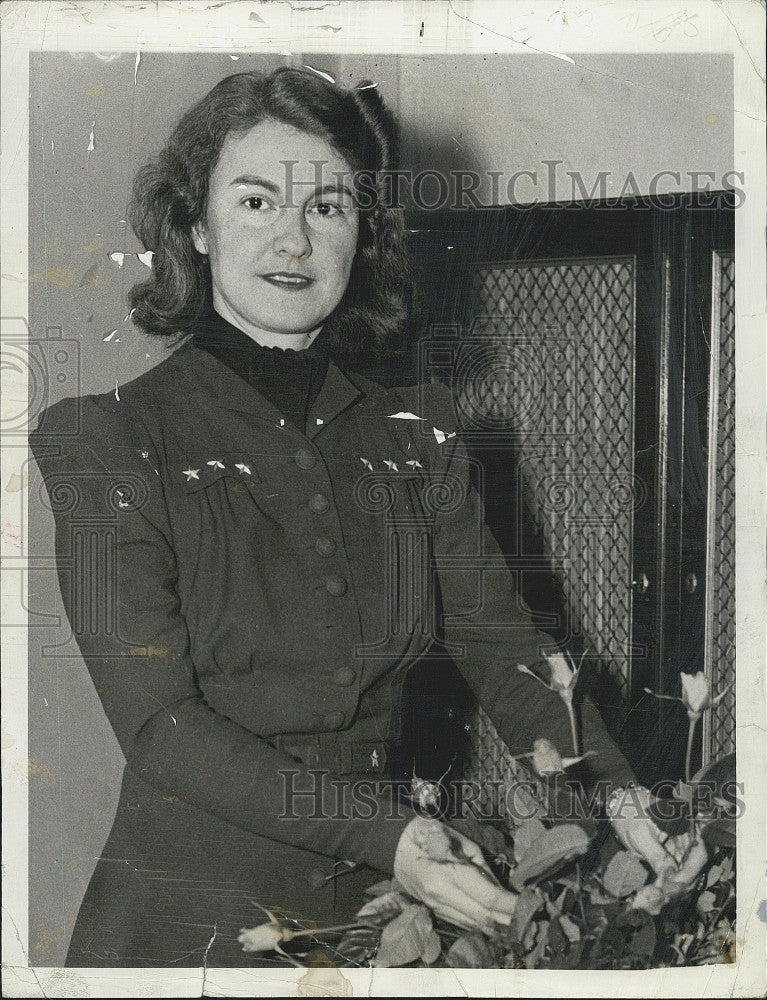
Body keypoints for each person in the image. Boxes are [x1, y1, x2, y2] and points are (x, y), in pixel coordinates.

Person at [31, 67, 680, 969]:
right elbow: (159, 728)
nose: (292, 239)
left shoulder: (418, 437)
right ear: (194, 226)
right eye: (256, 201)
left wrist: (611, 796)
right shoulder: (103, 437)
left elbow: (504, 651)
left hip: (384, 927)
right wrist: (398, 840)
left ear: (362, 238)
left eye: (328, 207)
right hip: (186, 934)